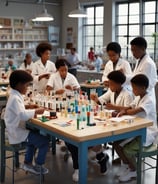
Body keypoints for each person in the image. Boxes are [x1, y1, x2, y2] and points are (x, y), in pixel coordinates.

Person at [113, 74, 157, 182]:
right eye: (132, 87)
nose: (133, 90)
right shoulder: (139, 96)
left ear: (143, 88)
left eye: (135, 88)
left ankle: (134, 171)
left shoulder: (149, 99)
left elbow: (134, 111)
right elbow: (130, 106)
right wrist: (124, 110)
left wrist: (124, 112)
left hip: (147, 133)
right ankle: (128, 166)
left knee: (127, 150)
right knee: (116, 144)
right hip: (136, 128)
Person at [4, 70, 49, 175]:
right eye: (27, 85)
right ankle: (38, 166)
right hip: (16, 133)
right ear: (19, 85)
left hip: (16, 130)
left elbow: (18, 110)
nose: (28, 88)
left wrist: (28, 106)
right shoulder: (15, 97)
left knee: (35, 136)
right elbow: (22, 115)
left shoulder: (14, 95)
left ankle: (27, 163)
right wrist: (37, 111)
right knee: (44, 141)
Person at [129, 36, 157, 105]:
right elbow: (134, 77)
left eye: (135, 50)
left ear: (143, 48)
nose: (133, 53)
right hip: (139, 96)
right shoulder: (139, 60)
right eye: (132, 50)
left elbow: (146, 84)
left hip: (146, 97)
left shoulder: (148, 63)